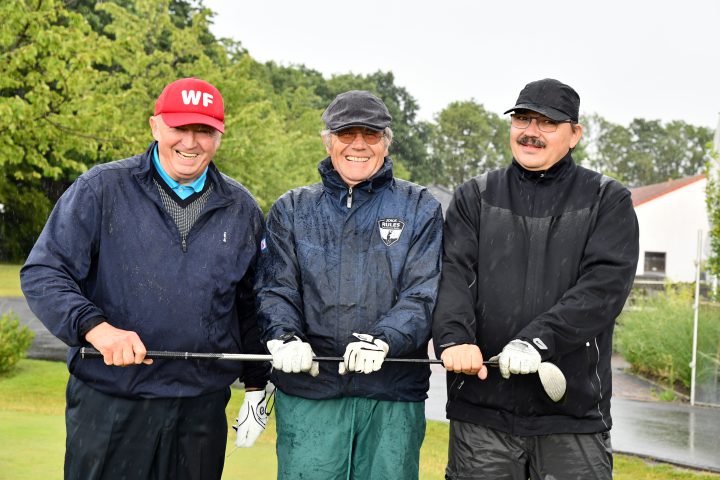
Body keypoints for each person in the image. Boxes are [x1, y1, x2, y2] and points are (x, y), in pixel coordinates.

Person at [20, 77, 271, 480]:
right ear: (155, 126)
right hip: (112, 404)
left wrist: (258, 385)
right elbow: (45, 273)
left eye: (204, 130)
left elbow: (250, 306)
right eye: (179, 127)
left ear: (219, 137)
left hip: (200, 412)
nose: (190, 142)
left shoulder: (241, 208)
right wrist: (97, 329)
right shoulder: (101, 188)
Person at [432, 78, 639, 480]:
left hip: (572, 414)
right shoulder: (475, 195)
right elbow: (454, 275)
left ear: (575, 134)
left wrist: (537, 340)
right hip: (482, 410)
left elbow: (603, 289)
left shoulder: (607, 200)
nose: (530, 132)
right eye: (522, 119)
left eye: (547, 123)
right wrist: (454, 338)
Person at [256, 90, 444, 479]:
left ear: (387, 141)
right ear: (328, 140)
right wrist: (284, 336)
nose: (358, 144)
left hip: (392, 393)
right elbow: (276, 288)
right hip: (310, 391)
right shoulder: (292, 208)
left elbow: (424, 291)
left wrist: (384, 338)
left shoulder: (420, 206)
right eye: (346, 133)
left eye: (371, 134)